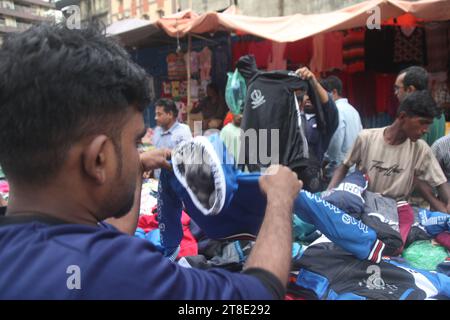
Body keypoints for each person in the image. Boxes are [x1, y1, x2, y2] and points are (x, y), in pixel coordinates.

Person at [0, 23, 302, 299]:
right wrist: (278, 200)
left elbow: (113, 233)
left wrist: (139, 167)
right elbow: (255, 297)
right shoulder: (119, 271)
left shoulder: (33, 250)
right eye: (135, 143)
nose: (139, 154)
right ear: (98, 160)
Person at [328, 90, 450, 214]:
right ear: (403, 117)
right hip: (364, 208)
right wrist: (329, 193)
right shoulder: (366, 138)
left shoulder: (420, 149)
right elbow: (344, 166)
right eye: (422, 123)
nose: (426, 130)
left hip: (396, 213)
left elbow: (440, 183)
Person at [294, 67, 339, 192]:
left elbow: (330, 108)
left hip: (312, 183)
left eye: (312, 94)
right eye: (306, 94)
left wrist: (313, 81)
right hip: (290, 180)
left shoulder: (325, 123)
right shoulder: (294, 118)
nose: (308, 97)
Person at [320, 75, 363, 180]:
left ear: (334, 92)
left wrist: (326, 162)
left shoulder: (336, 110)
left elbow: (335, 141)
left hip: (339, 170)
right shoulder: (353, 110)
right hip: (352, 168)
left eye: (323, 95)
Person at [395, 66, 446, 146]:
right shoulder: (437, 112)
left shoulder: (414, 116)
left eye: (397, 88)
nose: (396, 93)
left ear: (410, 90)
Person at [153, 98, 192, 178]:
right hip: (156, 182)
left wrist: (170, 154)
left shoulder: (183, 131)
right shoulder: (157, 131)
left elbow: (188, 159)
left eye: (159, 114)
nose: (155, 118)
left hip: (175, 182)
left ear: (170, 114)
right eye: (156, 114)